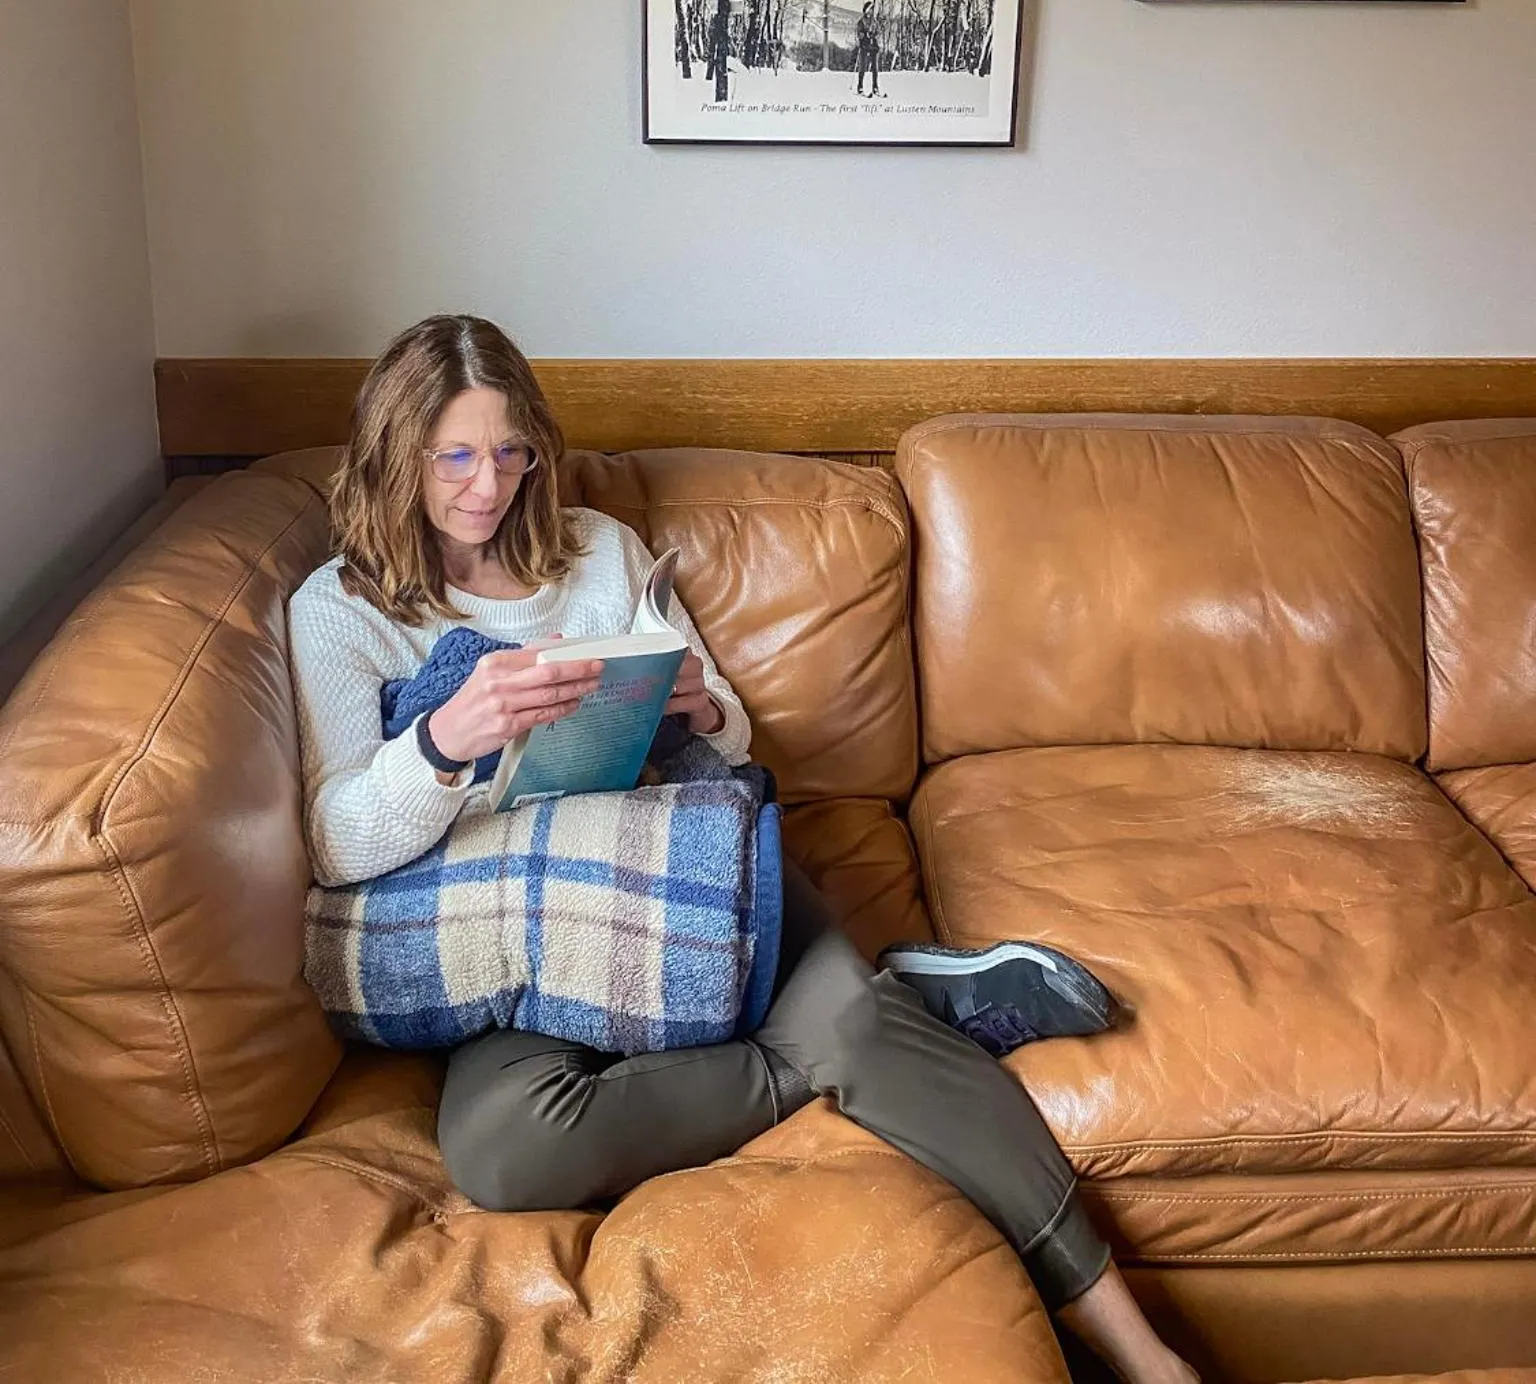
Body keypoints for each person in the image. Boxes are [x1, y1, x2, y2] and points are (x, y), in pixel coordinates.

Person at [287, 315, 1199, 1384]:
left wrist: (699, 704)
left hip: (685, 870)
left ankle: (1148, 1356)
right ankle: (877, 1018)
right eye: (455, 454)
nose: (487, 484)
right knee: (508, 1149)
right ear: (398, 452)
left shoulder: (594, 551)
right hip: (513, 938)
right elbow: (335, 837)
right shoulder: (340, 609)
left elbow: (731, 730)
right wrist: (445, 739)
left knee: (852, 1020)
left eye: (509, 449)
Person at [855, 2, 881, 97]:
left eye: (872, 9)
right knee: (863, 67)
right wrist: (865, 34)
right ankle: (860, 86)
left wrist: (874, 35)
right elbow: (859, 34)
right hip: (864, 47)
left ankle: (875, 87)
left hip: (874, 47)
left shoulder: (874, 22)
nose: (871, 11)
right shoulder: (861, 22)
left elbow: (878, 32)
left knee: (875, 68)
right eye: (870, 9)